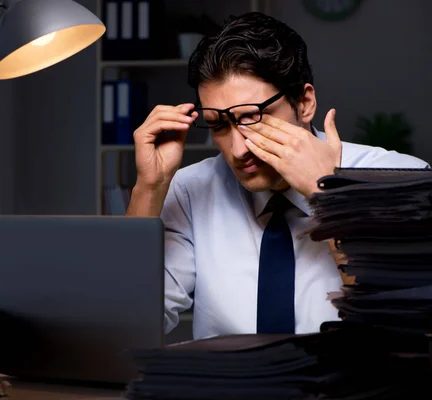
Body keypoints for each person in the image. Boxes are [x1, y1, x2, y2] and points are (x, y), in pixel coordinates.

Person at [125, 12, 430, 339]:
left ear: (305, 102)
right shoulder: (192, 190)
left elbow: (409, 330)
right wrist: (150, 187)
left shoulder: (400, 180)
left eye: (253, 117)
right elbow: (128, 324)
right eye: (218, 124)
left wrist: (330, 196)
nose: (238, 149)